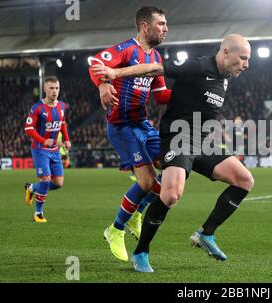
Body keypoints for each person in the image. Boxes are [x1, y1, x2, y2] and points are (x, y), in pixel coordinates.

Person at [93, 34, 255, 273]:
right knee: (170, 196)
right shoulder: (198, 66)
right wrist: (115, 74)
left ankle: (205, 234)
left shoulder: (225, 77)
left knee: (244, 180)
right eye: (243, 58)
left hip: (201, 142)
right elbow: (154, 69)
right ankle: (141, 252)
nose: (246, 64)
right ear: (226, 53)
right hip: (178, 139)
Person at [88, 6, 171, 262]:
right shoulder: (126, 49)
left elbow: (162, 95)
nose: (166, 28)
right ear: (145, 26)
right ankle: (115, 229)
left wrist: (193, 92)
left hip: (143, 124)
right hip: (122, 126)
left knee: (173, 169)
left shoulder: (156, 58)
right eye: (161, 24)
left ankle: (137, 211)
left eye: (166, 24)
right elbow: (95, 63)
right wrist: (103, 84)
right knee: (146, 183)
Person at [24, 76, 71, 223]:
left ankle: (32, 188)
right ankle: (38, 213)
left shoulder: (62, 106)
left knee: (58, 184)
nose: (54, 91)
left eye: (57, 88)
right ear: (45, 89)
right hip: (40, 149)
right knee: (45, 180)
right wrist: (44, 140)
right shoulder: (37, 108)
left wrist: (67, 139)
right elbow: (28, 128)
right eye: (51, 88)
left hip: (55, 150)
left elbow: (62, 122)